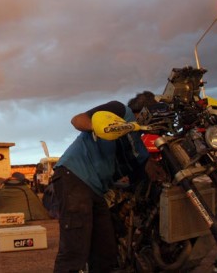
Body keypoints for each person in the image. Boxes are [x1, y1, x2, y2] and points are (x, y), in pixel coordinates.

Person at [52, 92, 154, 272]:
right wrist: (101, 127)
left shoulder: (140, 147)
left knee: (105, 252)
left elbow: (139, 180)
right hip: (75, 176)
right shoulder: (119, 111)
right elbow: (77, 120)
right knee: (75, 247)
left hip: (96, 189)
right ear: (142, 112)